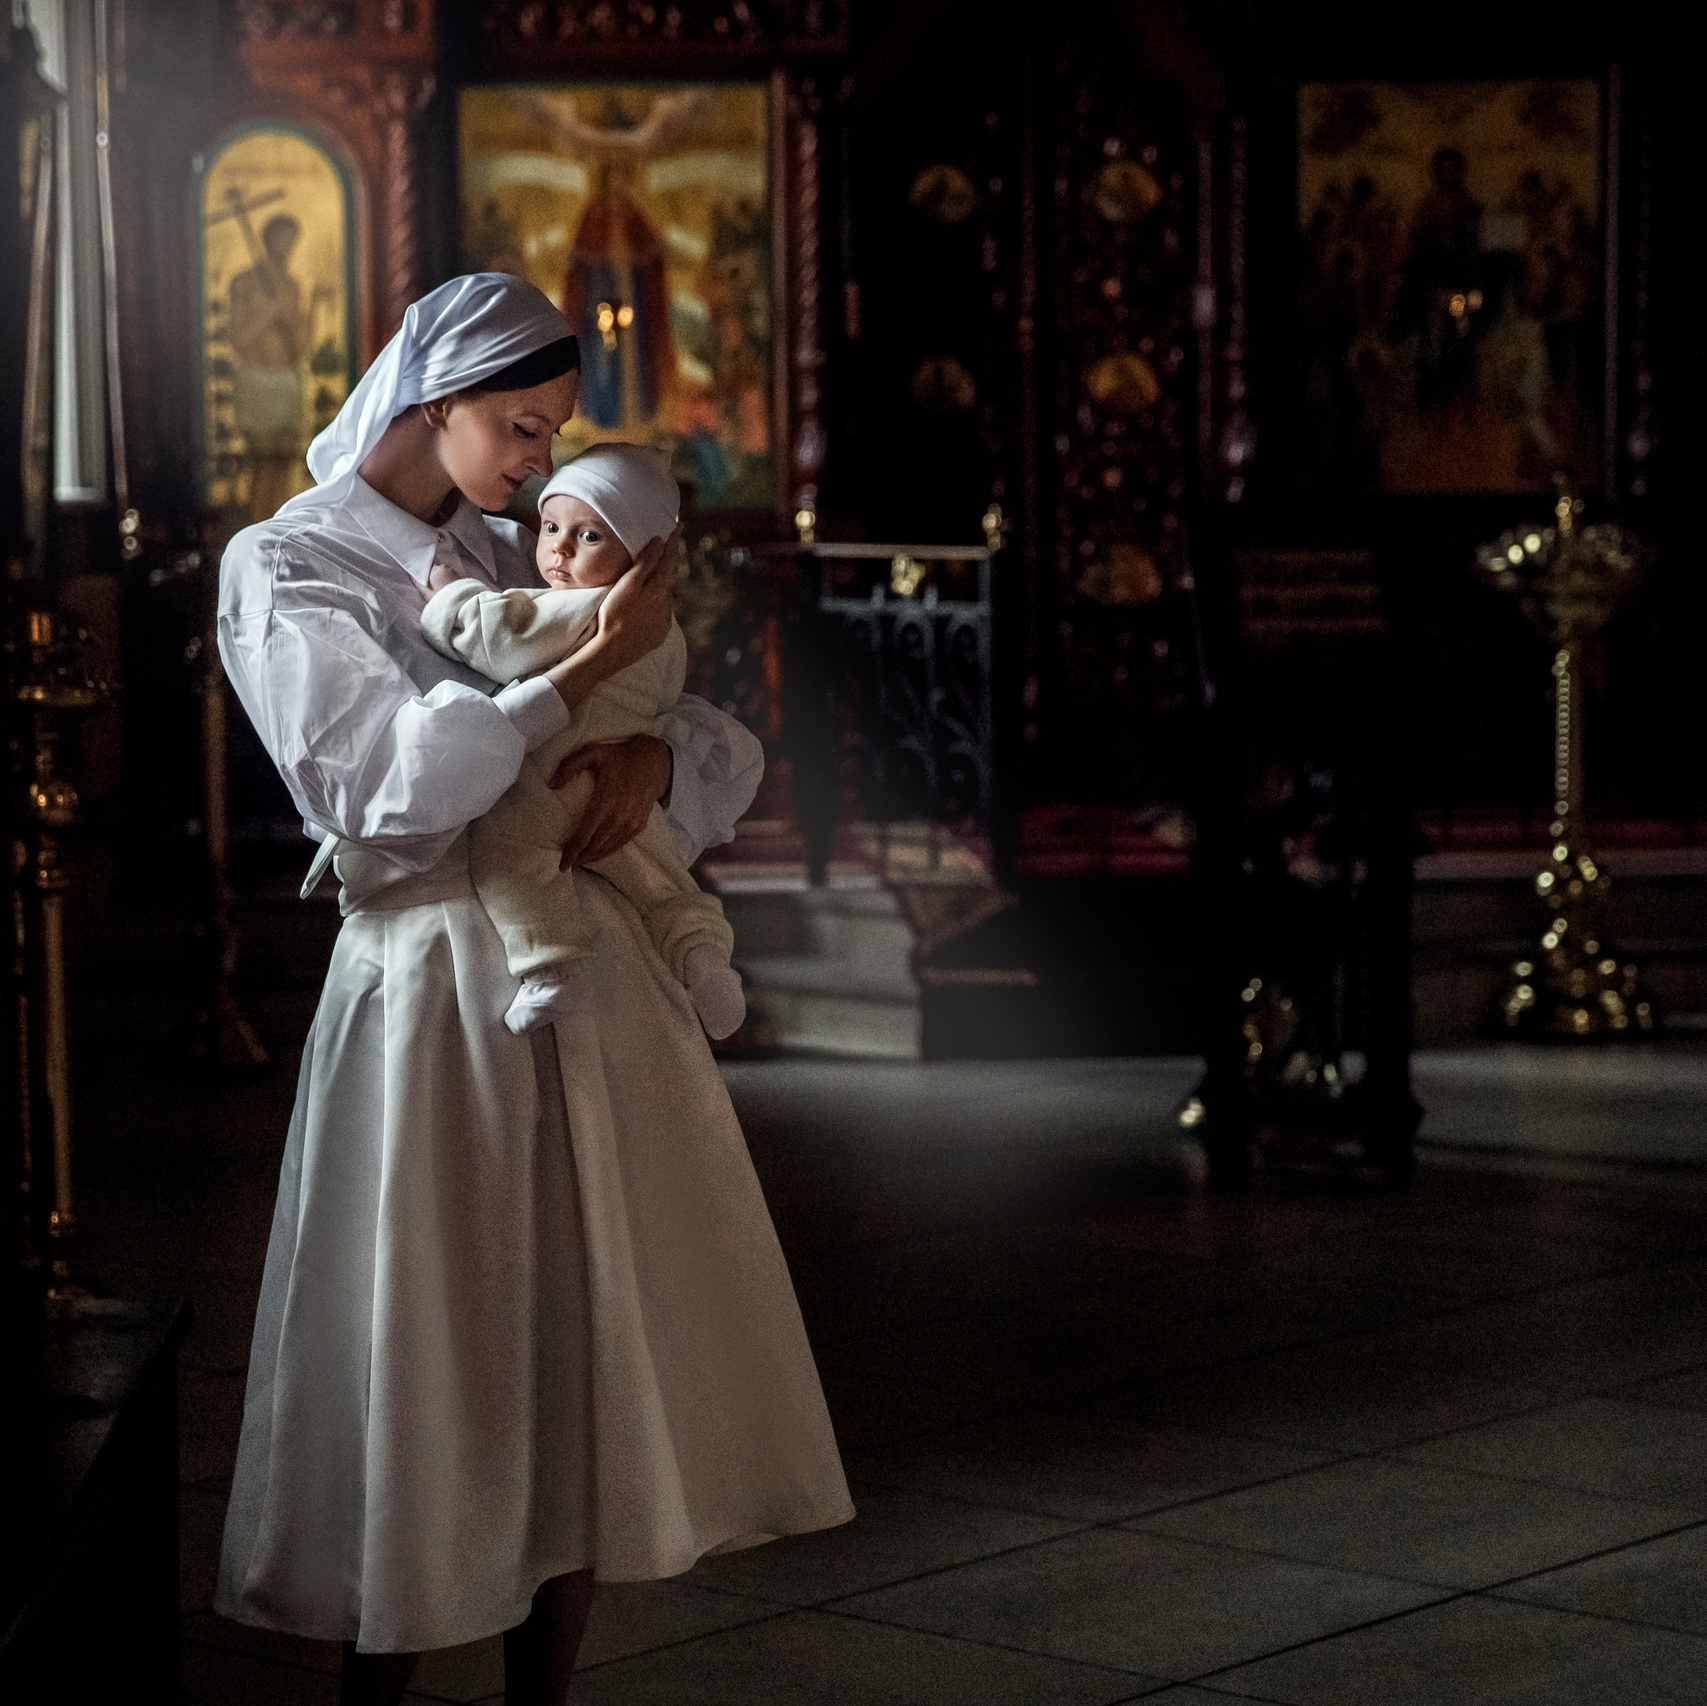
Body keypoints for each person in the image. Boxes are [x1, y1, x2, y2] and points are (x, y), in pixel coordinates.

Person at [214, 273, 853, 1706]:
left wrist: (639, 758)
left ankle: (539, 1692)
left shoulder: (526, 546)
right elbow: (388, 790)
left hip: (588, 985)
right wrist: (585, 686)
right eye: (515, 424)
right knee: (427, 1329)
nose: (534, 463)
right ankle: (376, 1677)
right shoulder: (287, 564)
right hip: (430, 986)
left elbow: (695, 739)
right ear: (431, 396)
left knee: (576, 1339)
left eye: (548, 434)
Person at [417, 443, 746, 1040]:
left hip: (555, 779)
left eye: (589, 536)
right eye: (550, 527)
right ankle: (704, 958)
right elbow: (669, 701)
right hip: (624, 792)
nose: (560, 548)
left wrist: (450, 599)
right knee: (659, 879)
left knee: (505, 853)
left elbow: (500, 637)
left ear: (641, 557)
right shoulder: (664, 629)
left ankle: (549, 965)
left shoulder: (580, 609)